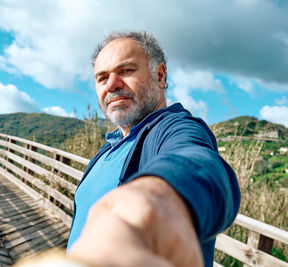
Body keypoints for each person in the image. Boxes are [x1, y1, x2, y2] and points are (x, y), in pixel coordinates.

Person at [65, 31, 241, 267]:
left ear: (159, 76)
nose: (112, 85)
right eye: (102, 77)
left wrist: (157, 198)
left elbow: (199, 162)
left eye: (126, 71)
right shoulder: (107, 149)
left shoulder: (176, 128)